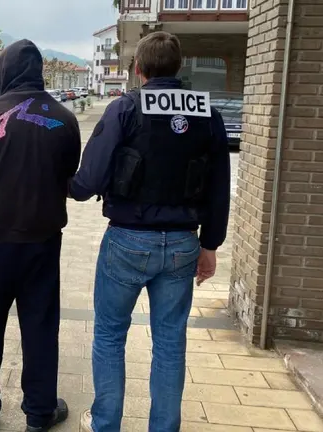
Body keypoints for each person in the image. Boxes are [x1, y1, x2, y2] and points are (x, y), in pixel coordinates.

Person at [71, 31, 231, 432]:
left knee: (110, 334)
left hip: (128, 238)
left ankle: (105, 423)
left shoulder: (125, 108)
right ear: (179, 67)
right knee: (170, 341)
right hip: (182, 243)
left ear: (138, 69)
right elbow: (219, 186)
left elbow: (89, 179)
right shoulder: (207, 114)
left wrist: (62, 185)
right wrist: (210, 245)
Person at [0, 39, 82, 432]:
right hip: (42, 241)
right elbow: (68, 178)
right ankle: (40, 412)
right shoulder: (64, 119)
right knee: (40, 326)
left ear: (3, 72)